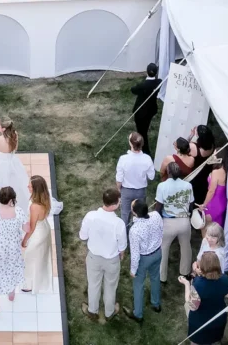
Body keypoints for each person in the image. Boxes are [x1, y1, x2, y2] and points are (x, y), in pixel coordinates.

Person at [79, 188, 126, 322]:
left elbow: (82, 236)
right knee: (110, 286)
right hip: (112, 260)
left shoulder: (90, 216)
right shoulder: (119, 223)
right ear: (115, 204)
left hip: (94, 257)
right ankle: (109, 312)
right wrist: (121, 255)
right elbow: (122, 246)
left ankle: (92, 311)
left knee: (93, 284)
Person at [0, 186, 26, 314]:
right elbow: (27, 228)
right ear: (11, 200)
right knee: (11, 269)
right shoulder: (19, 212)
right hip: (13, 248)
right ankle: (11, 293)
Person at [123, 199, 162, 323]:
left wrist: (133, 270)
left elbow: (135, 255)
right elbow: (162, 230)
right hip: (157, 252)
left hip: (144, 258)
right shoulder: (156, 215)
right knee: (155, 278)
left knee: (138, 285)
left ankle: (138, 314)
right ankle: (156, 304)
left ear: (134, 213)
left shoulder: (134, 231)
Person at [179, 252, 228, 345]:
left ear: (202, 267)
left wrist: (187, 284)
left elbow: (192, 306)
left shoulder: (197, 284)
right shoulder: (225, 278)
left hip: (201, 324)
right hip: (219, 320)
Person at [155, 162, 193, 283]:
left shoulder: (162, 186)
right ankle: (185, 273)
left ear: (169, 172)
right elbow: (191, 203)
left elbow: (158, 207)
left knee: (163, 248)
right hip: (184, 221)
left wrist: (156, 220)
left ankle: (162, 277)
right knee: (186, 246)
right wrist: (189, 215)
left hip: (168, 222)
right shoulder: (188, 185)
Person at [0, 118, 30, 214]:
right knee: (17, 184)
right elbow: (15, 148)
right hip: (13, 163)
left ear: (3, 129)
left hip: (0, 165)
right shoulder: (15, 134)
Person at [21, 175, 52, 294]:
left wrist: (24, 240)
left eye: (30, 185)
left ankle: (30, 284)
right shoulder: (44, 198)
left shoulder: (34, 206)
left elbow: (32, 227)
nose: (28, 186)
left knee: (30, 257)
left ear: (36, 189)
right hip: (44, 228)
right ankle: (37, 280)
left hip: (38, 234)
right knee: (39, 257)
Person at [115, 132, 154, 227]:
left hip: (126, 191)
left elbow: (119, 179)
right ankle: (139, 232)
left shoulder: (123, 159)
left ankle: (125, 236)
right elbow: (151, 177)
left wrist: (119, 190)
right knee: (140, 214)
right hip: (140, 192)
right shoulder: (147, 159)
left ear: (130, 144)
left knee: (125, 214)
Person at [130, 63, 162, 156]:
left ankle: (145, 152)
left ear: (146, 72)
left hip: (141, 112)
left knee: (142, 132)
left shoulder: (142, 86)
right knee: (144, 129)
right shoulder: (159, 82)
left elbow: (133, 90)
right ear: (156, 73)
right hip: (151, 110)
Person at [188, 126, 216, 204]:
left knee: (192, 192)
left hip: (195, 172)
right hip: (205, 172)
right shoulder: (212, 145)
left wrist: (191, 135)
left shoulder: (193, 147)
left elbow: (183, 147)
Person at [199, 157, 228, 229]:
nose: (213, 156)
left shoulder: (216, 172)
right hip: (222, 201)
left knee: (206, 228)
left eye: (215, 155)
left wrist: (204, 205)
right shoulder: (226, 170)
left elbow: (211, 191)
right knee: (217, 228)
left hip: (214, 203)